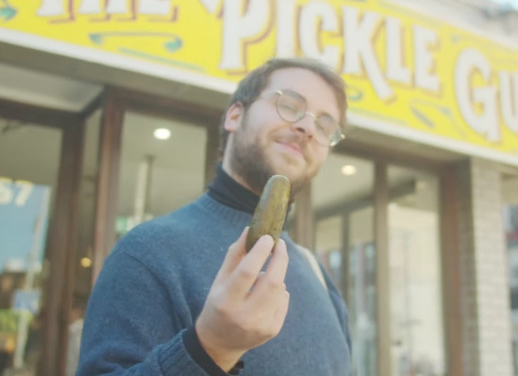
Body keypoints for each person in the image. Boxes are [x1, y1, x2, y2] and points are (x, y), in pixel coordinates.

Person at [77, 58, 352, 375]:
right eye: (289, 105)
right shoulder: (148, 251)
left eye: (325, 125)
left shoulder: (316, 272)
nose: (307, 127)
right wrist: (211, 349)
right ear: (235, 115)